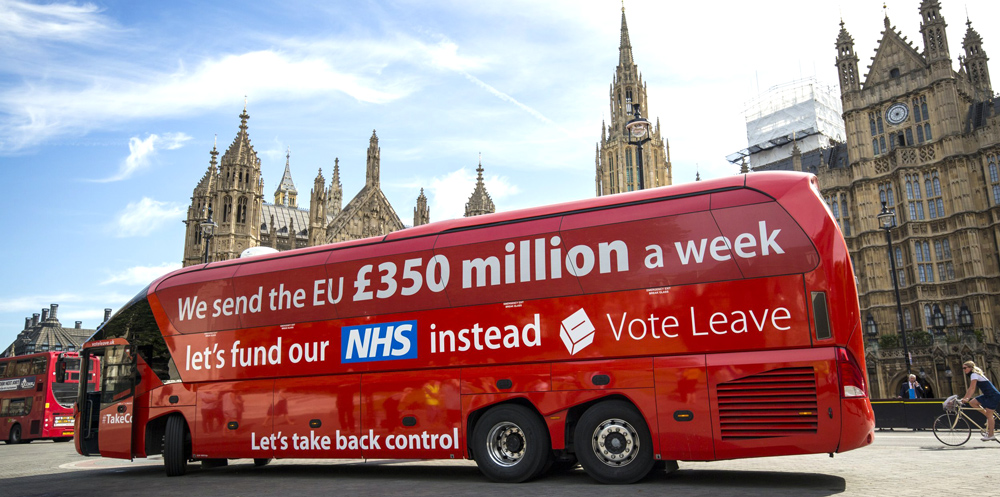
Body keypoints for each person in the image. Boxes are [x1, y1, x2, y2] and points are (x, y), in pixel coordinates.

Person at [960, 360, 1000, 442]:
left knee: (989, 415)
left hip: (993, 396)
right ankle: (990, 417)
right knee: (972, 403)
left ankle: (991, 435)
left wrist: (966, 398)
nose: (964, 370)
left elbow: (972, 388)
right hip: (987, 395)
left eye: (965, 368)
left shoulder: (974, 375)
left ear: (970, 368)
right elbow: (970, 389)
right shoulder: (975, 374)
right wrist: (966, 398)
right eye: (963, 368)